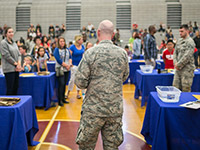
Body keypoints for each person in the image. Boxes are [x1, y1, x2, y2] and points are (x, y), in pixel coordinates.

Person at [75, 20, 129, 150]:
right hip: (114, 110)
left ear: (98, 32)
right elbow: (125, 76)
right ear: (113, 33)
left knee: (86, 146)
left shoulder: (90, 53)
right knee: (112, 147)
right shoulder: (122, 54)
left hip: (93, 111)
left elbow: (80, 82)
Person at [173, 24, 196, 92]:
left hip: (187, 70)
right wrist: (175, 63)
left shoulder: (190, 42)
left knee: (185, 90)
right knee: (175, 88)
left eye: (182, 31)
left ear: (187, 31)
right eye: (179, 31)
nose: (180, 33)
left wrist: (178, 65)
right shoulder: (179, 41)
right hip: (178, 69)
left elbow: (187, 56)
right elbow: (175, 53)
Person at [0, 27, 22, 95]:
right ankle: (8, 104)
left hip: (16, 69)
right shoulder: (3, 43)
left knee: (16, 87)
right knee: (10, 88)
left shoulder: (14, 43)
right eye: (9, 32)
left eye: (12, 32)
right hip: (9, 69)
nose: (11, 33)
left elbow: (19, 54)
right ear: (6, 34)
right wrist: (16, 64)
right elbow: (6, 55)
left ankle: (14, 103)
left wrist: (19, 64)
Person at [54, 37, 72, 106]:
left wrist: (69, 64)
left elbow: (70, 57)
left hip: (67, 69)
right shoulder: (56, 50)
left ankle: (63, 98)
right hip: (60, 69)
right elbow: (58, 60)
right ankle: (59, 100)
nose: (62, 42)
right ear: (58, 42)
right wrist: (66, 66)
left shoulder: (67, 49)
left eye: (63, 41)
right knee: (61, 84)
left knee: (64, 84)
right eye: (60, 41)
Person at [65, 35, 85, 99]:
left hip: (80, 65)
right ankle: (67, 92)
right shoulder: (72, 47)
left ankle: (78, 93)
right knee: (72, 80)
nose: (82, 41)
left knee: (79, 80)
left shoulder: (82, 46)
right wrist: (70, 64)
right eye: (81, 39)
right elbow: (69, 56)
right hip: (74, 65)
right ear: (78, 40)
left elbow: (83, 55)